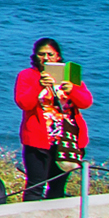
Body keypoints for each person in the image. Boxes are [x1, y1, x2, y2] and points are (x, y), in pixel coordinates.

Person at [15, 37, 90, 202]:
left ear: (58, 56)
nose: (46, 58)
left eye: (50, 54)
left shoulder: (69, 75)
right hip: (38, 139)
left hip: (66, 139)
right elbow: (24, 103)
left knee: (57, 186)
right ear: (35, 56)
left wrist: (73, 90)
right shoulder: (27, 75)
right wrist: (39, 85)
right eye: (41, 54)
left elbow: (86, 102)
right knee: (36, 184)